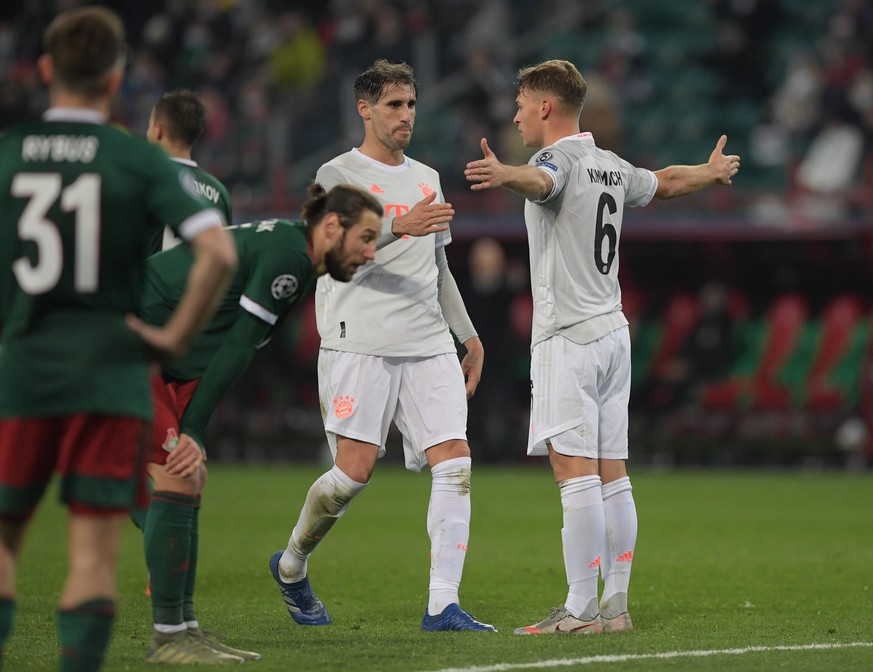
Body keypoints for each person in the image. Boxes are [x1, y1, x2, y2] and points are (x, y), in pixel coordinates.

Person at [464, 59, 740, 635]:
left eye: (521, 103)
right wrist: (710, 173)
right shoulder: (612, 166)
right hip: (614, 335)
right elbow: (663, 183)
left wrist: (505, 173)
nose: (514, 114)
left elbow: (543, 183)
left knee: (575, 474)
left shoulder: (551, 158)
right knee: (613, 472)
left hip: (569, 338)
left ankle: (580, 608)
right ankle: (615, 605)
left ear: (546, 106)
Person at [0, 7, 237, 672]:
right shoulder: (135, 159)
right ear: (116, 79)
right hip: (109, 371)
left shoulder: (10, 153)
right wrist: (168, 338)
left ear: (45, 71)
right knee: (92, 555)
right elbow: (217, 255)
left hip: (23, 367)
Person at [270, 59, 494, 633]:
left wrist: (466, 335)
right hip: (358, 342)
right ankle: (292, 564)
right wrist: (400, 226)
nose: (406, 116)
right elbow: (326, 251)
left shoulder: (427, 177)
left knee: (456, 464)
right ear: (365, 109)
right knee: (353, 473)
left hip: (427, 343)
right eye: (394, 105)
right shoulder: (336, 172)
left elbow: (439, 266)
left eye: (412, 105)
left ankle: (443, 605)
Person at [140, 182, 382, 664]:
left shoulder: (295, 253)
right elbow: (237, 347)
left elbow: (226, 341)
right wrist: (193, 428)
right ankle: (170, 636)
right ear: (331, 226)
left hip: (155, 350)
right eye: (367, 238)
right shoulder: (289, 257)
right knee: (177, 474)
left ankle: (184, 628)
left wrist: (191, 420)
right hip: (129, 339)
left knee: (187, 478)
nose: (371, 253)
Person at [145, 89, 232, 252]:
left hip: (152, 277)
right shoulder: (219, 193)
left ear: (159, 131)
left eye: (150, 125)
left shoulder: (143, 183)